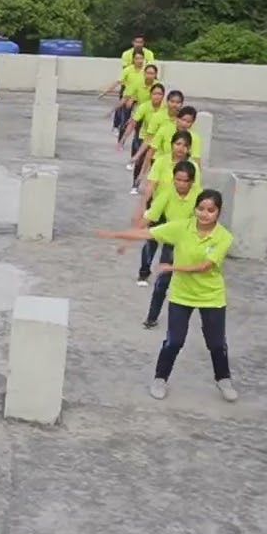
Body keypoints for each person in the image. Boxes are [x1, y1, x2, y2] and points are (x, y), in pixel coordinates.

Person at [96, 189, 237, 403]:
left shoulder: (223, 237)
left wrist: (172, 268)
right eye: (201, 208)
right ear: (195, 209)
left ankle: (223, 379)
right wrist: (116, 235)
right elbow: (148, 234)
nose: (204, 214)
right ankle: (160, 379)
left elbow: (204, 266)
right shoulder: (182, 227)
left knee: (216, 343)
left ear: (218, 212)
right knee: (174, 341)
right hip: (182, 294)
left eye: (210, 210)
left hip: (211, 296)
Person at [137, 159, 201, 328]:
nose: (180, 184)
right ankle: (152, 317)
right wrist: (130, 236)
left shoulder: (199, 197)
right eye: (177, 180)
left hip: (192, 245)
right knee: (162, 281)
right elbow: (152, 214)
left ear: (192, 181)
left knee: (192, 284)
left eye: (184, 181)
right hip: (172, 244)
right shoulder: (168, 192)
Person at [135, 130, 196, 287]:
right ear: (171, 145)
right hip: (159, 207)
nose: (181, 148)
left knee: (171, 246)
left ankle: (165, 275)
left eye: (185, 145)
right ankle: (144, 272)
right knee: (151, 240)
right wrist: (143, 205)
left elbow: (196, 190)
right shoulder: (161, 162)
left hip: (179, 210)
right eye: (178, 144)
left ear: (189, 148)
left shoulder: (193, 166)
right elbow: (151, 185)